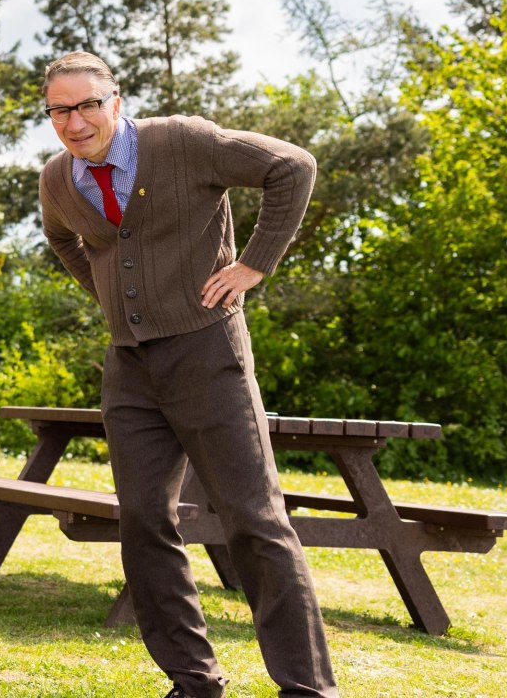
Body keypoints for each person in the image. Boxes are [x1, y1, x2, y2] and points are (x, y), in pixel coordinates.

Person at [37, 51, 336, 698]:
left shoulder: (184, 141)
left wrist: (254, 264)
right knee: (144, 522)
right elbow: (62, 238)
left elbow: (293, 167)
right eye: (61, 109)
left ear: (115, 100)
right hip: (130, 367)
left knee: (253, 518)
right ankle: (193, 681)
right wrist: (108, 294)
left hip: (208, 352)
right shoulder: (59, 179)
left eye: (88, 103)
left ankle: (307, 688)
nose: (77, 120)